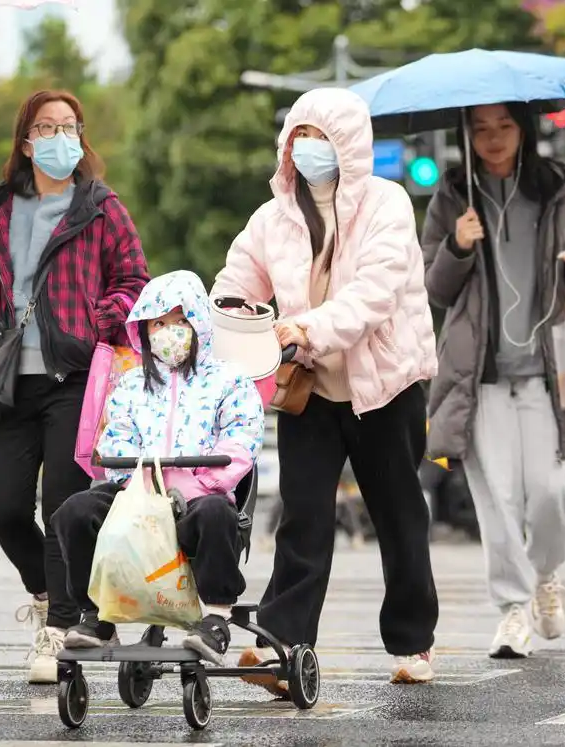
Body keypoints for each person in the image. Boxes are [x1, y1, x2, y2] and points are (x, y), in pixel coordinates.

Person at [212, 87, 440, 686]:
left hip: (384, 387)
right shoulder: (273, 215)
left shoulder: (387, 205)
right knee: (304, 513)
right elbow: (237, 282)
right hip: (308, 388)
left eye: (322, 137)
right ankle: (284, 643)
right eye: (300, 136)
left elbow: (375, 293)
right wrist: (218, 322)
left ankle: (413, 642)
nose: (309, 148)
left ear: (350, 144)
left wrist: (303, 327)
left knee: (398, 514)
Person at [0, 89, 150, 683]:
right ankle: (56, 595)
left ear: (81, 137)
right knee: (2, 507)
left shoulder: (100, 207)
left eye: (68, 127)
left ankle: (58, 632)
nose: (58, 137)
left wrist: (97, 320)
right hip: (8, 380)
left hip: (73, 378)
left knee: (61, 507)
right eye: (46, 128)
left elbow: (134, 280)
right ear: (26, 142)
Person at [422, 102, 565, 659]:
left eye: (503, 127)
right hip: (480, 377)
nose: (493, 139)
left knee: (552, 493)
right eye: (480, 129)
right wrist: (457, 245)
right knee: (496, 500)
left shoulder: (559, 186)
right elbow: (433, 290)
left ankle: (546, 571)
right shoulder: (453, 196)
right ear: (466, 136)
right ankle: (511, 610)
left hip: (550, 375)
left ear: (523, 130)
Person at [51, 270, 264, 664]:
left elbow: (242, 435)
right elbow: (116, 438)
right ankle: (95, 615)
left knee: (217, 513)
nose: (169, 333)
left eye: (180, 322)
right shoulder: (131, 384)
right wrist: (136, 484)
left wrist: (207, 481)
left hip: (199, 494)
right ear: (144, 330)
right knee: (74, 513)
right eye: (159, 324)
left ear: (198, 323)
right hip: (139, 495)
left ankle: (215, 617)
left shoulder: (228, 380)